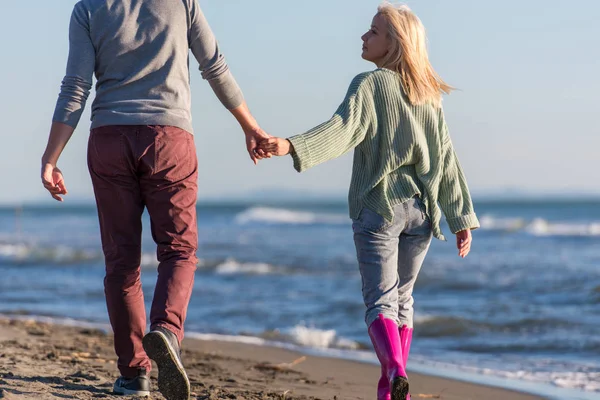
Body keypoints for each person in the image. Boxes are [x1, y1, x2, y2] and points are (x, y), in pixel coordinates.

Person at [40, 1, 268, 399]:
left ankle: (134, 375)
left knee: (121, 261)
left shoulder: (89, 8)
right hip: (169, 137)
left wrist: (51, 156)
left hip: (110, 138)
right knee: (179, 250)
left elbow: (76, 85)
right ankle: (166, 331)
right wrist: (250, 126)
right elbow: (215, 65)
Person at [258, 4, 479, 399]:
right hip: (422, 213)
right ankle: (392, 387)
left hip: (379, 206)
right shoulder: (429, 95)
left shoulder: (370, 84)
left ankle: (394, 371)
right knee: (403, 299)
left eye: (373, 32)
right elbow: (446, 160)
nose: (363, 37)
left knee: (380, 301)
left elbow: (342, 130)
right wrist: (460, 216)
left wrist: (291, 145)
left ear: (393, 43)